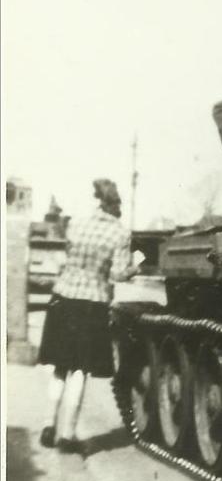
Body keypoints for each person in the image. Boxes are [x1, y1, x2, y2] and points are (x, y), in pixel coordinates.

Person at [37, 178, 139, 455]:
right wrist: (137, 265)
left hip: (63, 299)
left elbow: (68, 258)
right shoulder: (120, 233)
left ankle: (48, 426)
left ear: (97, 201)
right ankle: (68, 435)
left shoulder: (76, 224)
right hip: (92, 305)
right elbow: (118, 274)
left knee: (60, 366)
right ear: (114, 204)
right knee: (80, 369)